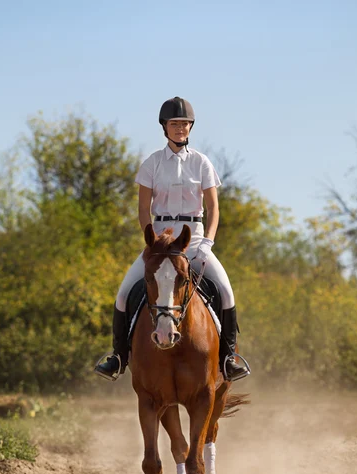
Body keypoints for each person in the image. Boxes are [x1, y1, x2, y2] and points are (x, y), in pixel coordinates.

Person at [94, 96, 250, 382]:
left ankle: (228, 358)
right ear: (164, 127)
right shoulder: (152, 164)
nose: (180, 128)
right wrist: (152, 242)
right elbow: (143, 210)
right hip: (160, 244)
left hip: (196, 242)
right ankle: (118, 357)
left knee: (226, 293)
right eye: (174, 124)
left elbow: (214, 209)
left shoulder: (202, 163)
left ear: (191, 127)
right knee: (123, 293)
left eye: (184, 124)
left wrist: (208, 244)